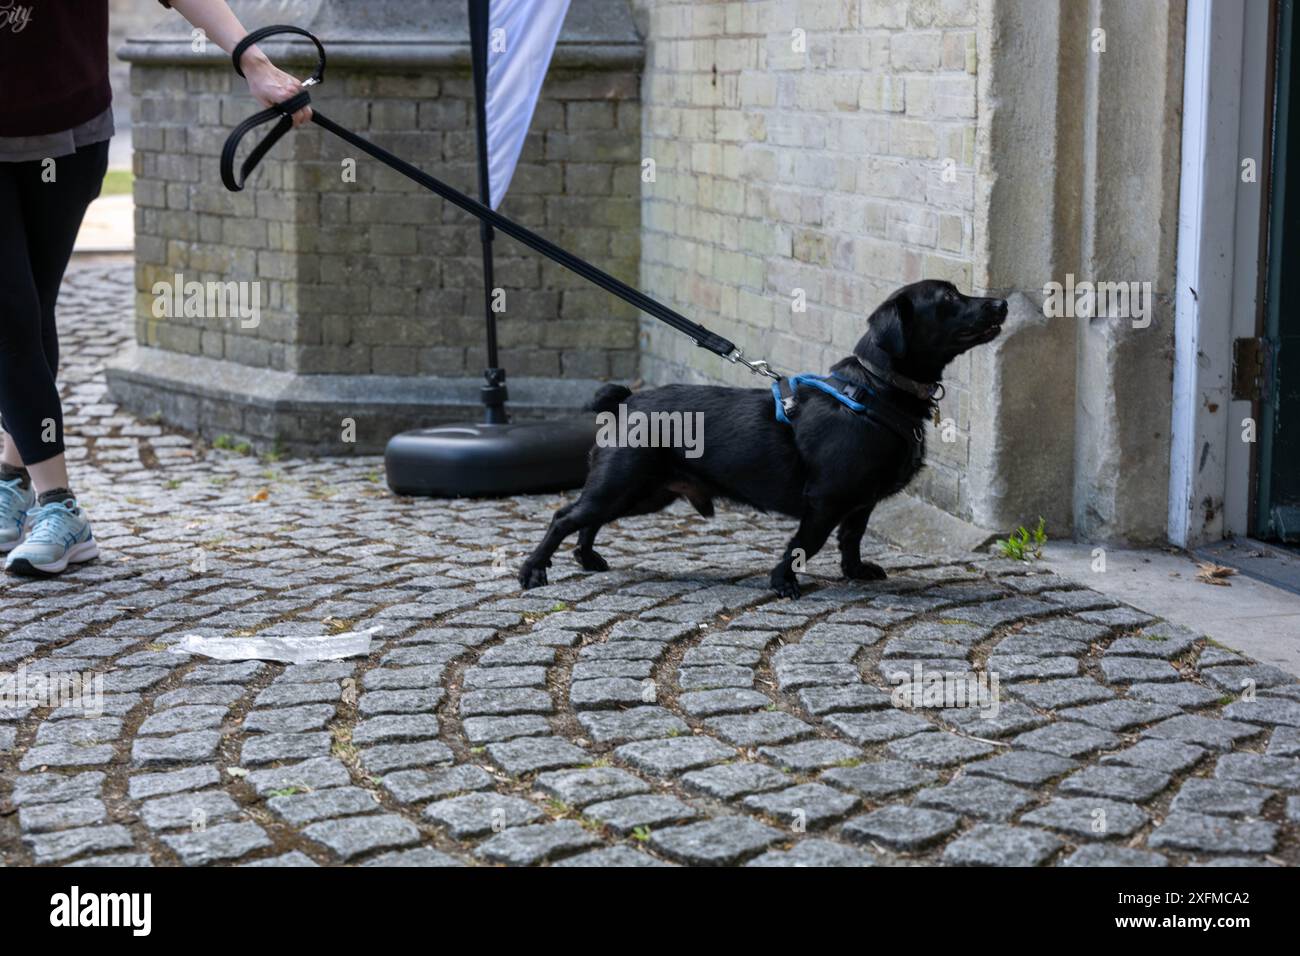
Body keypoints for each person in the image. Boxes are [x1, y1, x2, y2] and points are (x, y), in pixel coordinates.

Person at [0, 0, 309, 576]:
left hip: (69, 133)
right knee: (9, 316)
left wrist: (254, 61)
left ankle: (12, 480)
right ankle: (60, 508)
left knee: (33, 308)